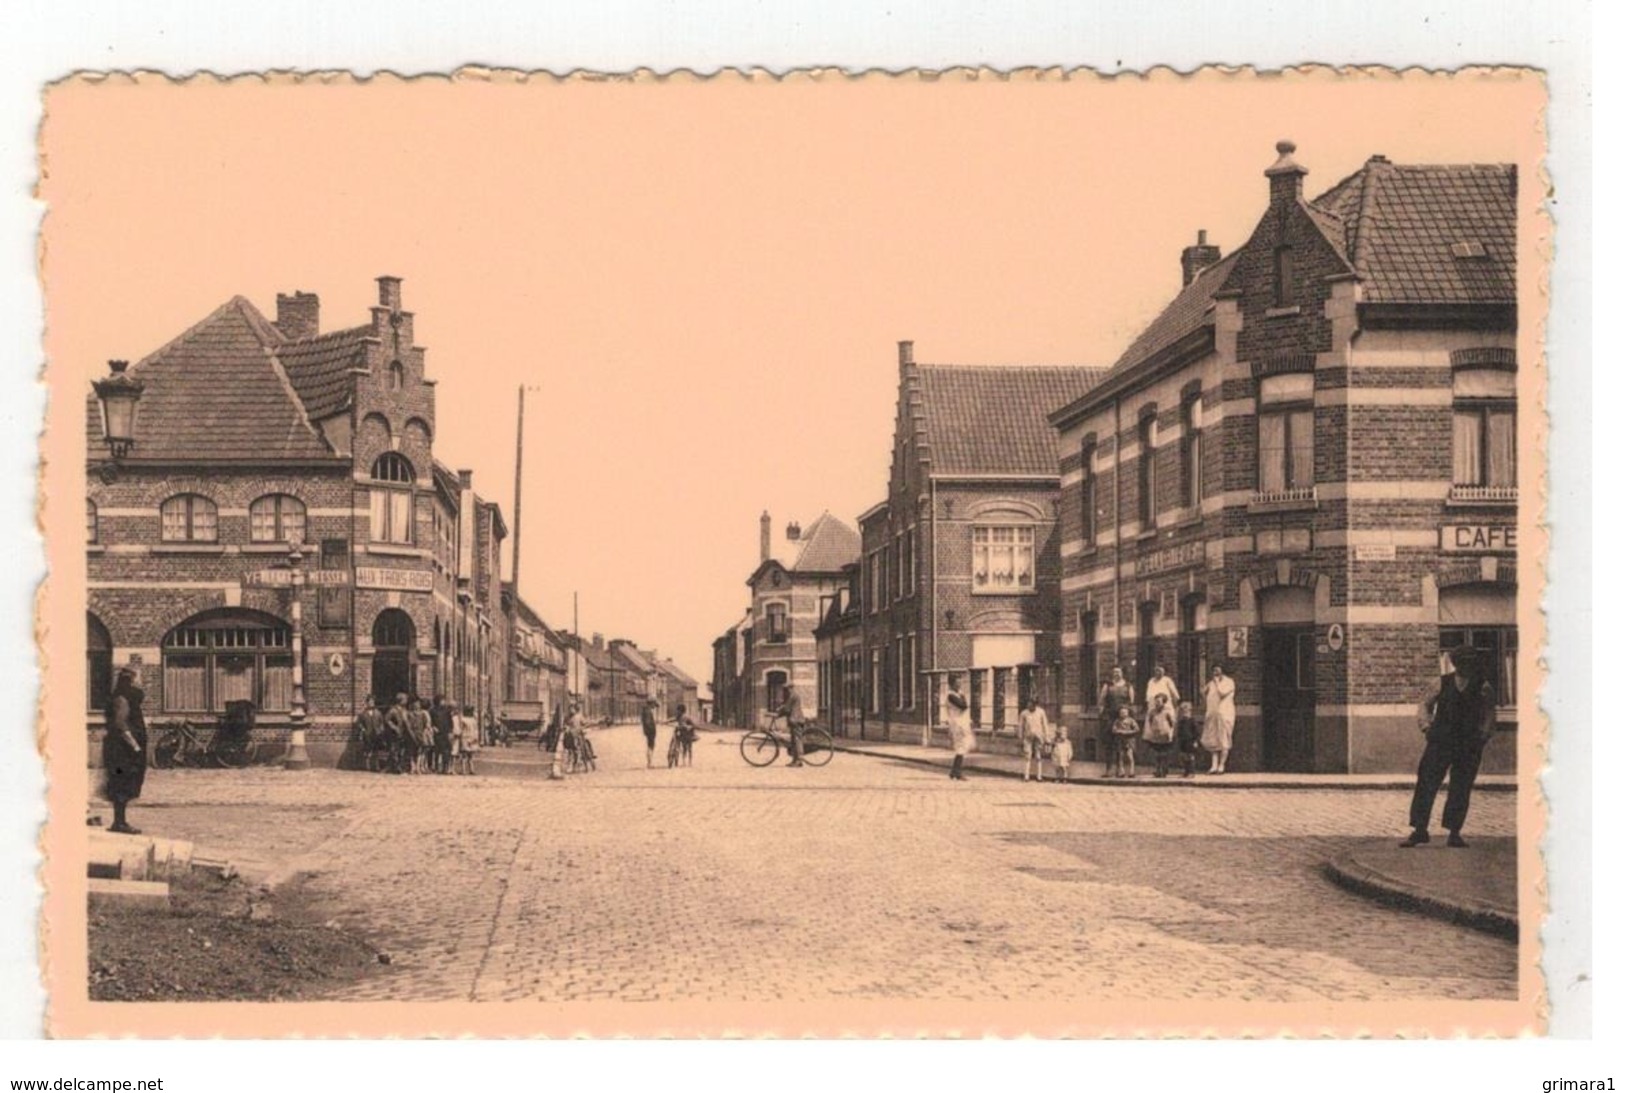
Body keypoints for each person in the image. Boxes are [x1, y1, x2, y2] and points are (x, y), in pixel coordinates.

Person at [1401, 646, 1498, 848]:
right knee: (1426, 782)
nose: (1465, 664)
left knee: (1461, 787)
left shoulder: (1483, 686)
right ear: (1454, 662)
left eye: (1469, 661)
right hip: (1440, 742)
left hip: (1468, 744)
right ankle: (1419, 830)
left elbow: (1489, 714)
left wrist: (1483, 736)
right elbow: (1424, 705)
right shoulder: (1441, 683)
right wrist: (1426, 726)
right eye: (1460, 660)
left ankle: (1454, 832)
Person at [102, 662, 149, 834]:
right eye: (139, 677)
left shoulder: (131, 698)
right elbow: (120, 724)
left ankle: (120, 821)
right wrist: (135, 746)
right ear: (131, 679)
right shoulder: (122, 698)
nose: (142, 681)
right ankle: (119, 823)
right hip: (122, 751)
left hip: (127, 750)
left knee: (127, 783)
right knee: (122, 784)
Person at [1098, 667, 1134, 777]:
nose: (1116, 674)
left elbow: (1131, 702)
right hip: (1110, 717)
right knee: (1109, 744)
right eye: (1114, 672)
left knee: (1121, 744)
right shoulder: (1107, 686)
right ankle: (1108, 769)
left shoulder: (1128, 686)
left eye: (1118, 672)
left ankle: (1121, 769)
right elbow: (1101, 701)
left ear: (1122, 673)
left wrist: (1126, 716)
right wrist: (1102, 715)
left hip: (1122, 718)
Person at [1200, 665, 1237, 774]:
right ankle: (1214, 766)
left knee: (1224, 739)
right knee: (1213, 740)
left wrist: (1216, 683)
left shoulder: (1229, 682)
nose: (1215, 672)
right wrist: (1204, 690)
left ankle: (1222, 765)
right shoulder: (1211, 683)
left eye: (1217, 669)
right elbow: (1205, 696)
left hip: (1225, 714)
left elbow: (1222, 693)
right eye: (1214, 670)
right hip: (1213, 714)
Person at [944, 674, 973, 781]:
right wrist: (963, 696)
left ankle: (954, 771)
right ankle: (957, 772)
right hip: (957, 723)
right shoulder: (951, 695)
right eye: (957, 683)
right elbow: (964, 705)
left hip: (961, 722)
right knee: (961, 746)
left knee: (963, 746)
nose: (959, 685)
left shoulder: (957, 694)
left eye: (960, 683)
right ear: (952, 684)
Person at [1018, 697, 1053, 782]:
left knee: (1038, 756)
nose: (1029, 706)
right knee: (1027, 756)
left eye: (1031, 704)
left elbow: (1045, 725)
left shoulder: (1041, 712)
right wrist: (1020, 738)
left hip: (1039, 736)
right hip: (1028, 736)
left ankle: (1039, 776)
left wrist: (1047, 737)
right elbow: (1021, 726)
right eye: (1028, 704)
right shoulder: (1024, 713)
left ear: (1035, 705)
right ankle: (1026, 776)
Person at [1143, 692, 1177, 778]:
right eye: (1156, 701)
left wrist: (1169, 732)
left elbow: (1172, 723)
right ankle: (1158, 769)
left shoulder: (1167, 712)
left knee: (1164, 754)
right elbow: (1150, 721)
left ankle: (1164, 769)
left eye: (1159, 701)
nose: (1157, 703)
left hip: (1165, 736)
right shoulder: (1152, 712)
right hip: (1155, 736)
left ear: (1163, 702)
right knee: (1156, 754)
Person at [772, 690, 807, 768]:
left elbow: (787, 709)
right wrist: (779, 714)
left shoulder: (793, 696)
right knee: (793, 741)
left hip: (796, 720)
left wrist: (778, 712)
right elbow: (787, 708)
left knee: (797, 740)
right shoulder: (793, 696)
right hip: (794, 720)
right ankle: (794, 760)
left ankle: (799, 760)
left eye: (786, 689)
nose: (785, 691)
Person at [353, 696, 384, 773]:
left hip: (376, 734)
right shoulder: (363, 714)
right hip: (367, 734)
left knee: (376, 751)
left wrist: (380, 730)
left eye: (372, 702)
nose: (371, 703)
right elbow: (358, 723)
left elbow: (381, 723)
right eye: (369, 702)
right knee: (367, 751)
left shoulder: (378, 713)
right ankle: (367, 766)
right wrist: (363, 729)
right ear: (367, 703)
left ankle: (376, 766)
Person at [383, 693, 412, 774]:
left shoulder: (405, 710)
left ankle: (398, 766)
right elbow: (387, 719)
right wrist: (394, 727)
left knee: (401, 750)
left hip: (403, 732)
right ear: (400, 700)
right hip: (395, 733)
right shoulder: (393, 710)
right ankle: (396, 767)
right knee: (394, 749)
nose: (406, 701)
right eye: (405, 699)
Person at [1110, 705, 1141, 778]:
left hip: (1129, 740)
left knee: (1129, 755)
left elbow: (1137, 729)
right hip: (1120, 740)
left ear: (1128, 713)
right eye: (1121, 712)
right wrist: (1118, 731)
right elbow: (1113, 730)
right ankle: (1121, 771)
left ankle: (1132, 771)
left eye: (1124, 712)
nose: (1122, 714)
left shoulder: (1131, 721)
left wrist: (1127, 732)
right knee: (1120, 756)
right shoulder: (1117, 721)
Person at [1175, 699, 1202, 778]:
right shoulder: (1181, 722)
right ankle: (1186, 771)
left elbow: (1196, 732)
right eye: (1183, 711)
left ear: (1190, 711)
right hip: (1182, 742)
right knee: (1183, 757)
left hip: (1190, 741)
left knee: (1190, 757)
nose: (1184, 713)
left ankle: (1192, 772)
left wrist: (1196, 741)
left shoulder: (1192, 721)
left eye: (1186, 710)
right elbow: (1179, 732)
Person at [430, 694, 454, 775]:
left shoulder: (446, 711)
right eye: (442, 700)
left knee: (446, 751)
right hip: (437, 733)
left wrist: (450, 731)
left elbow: (450, 722)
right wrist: (433, 727)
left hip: (445, 732)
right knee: (436, 751)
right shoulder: (432, 711)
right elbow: (430, 721)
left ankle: (445, 767)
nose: (444, 702)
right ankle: (436, 767)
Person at [458, 705, 480, 775]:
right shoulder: (474, 720)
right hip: (472, 737)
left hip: (465, 737)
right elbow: (476, 730)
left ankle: (463, 770)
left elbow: (461, 729)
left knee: (464, 755)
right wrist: (476, 738)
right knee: (471, 756)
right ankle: (471, 769)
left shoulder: (463, 720)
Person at [641, 697, 660, 769]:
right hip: (650, 731)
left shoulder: (645, 710)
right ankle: (649, 763)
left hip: (648, 731)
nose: (654, 707)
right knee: (651, 746)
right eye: (654, 705)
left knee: (650, 746)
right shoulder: (648, 711)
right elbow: (647, 722)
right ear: (651, 703)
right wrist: (651, 729)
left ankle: (649, 763)